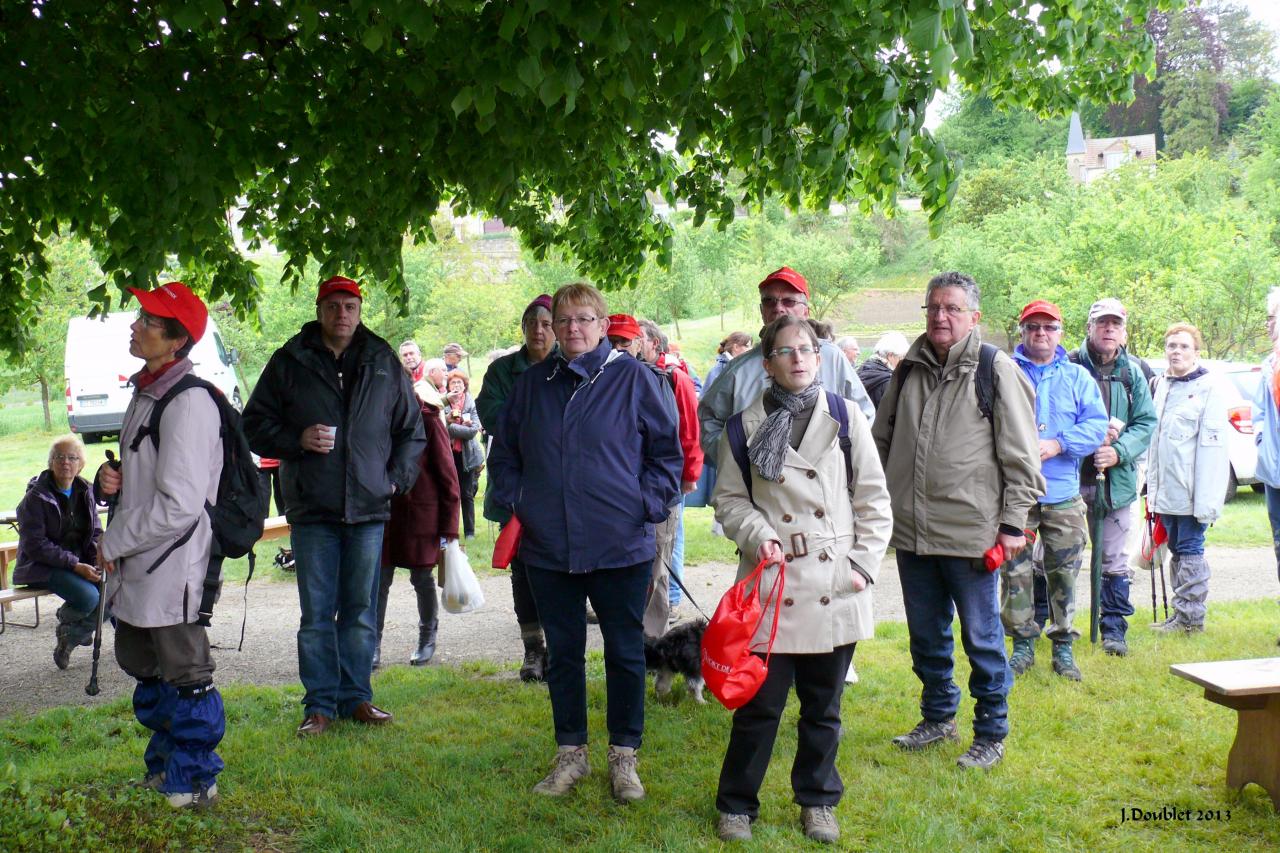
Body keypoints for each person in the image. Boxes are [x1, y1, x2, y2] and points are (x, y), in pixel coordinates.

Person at [488, 283, 682, 804]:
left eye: (584, 319)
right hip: (550, 547)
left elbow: (668, 455)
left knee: (624, 652)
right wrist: (519, 501)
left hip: (620, 546)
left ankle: (625, 757)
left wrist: (645, 504)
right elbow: (503, 453)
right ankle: (570, 754)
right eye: (563, 320)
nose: (572, 328)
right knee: (565, 654)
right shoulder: (533, 385)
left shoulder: (635, 379)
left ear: (601, 325)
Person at [711, 315, 891, 844]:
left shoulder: (846, 416)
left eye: (806, 350)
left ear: (819, 357)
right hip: (773, 583)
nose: (797, 359)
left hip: (835, 583)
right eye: (785, 351)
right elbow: (729, 500)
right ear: (766, 364)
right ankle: (737, 805)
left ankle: (817, 801)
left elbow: (874, 500)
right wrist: (756, 533)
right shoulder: (743, 426)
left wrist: (861, 566)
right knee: (758, 706)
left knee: (823, 708)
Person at [871, 272, 1043, 771]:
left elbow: (1021, 457)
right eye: (933, 308)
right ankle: (938, 717)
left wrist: (1013, 524)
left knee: (982, 638)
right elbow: (879, 444)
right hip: (912, 533)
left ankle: (991, 732)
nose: (941, 317)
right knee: (926, 636)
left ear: (974, 317)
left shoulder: (995, 369)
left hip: (972, 534)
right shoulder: (907, 371)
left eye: (952, 308)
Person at [243, 275, 425, 738]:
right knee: (317, 613)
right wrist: (296, 440)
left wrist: (393, 481)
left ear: (360, 310)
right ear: (319, 309)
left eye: (350, 306)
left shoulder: (383, 360)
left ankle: (356, 697)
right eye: (333, 307)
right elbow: (253, 424)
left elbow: (411, 432)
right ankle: (319, 705)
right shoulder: (290, 360)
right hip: (312, 507)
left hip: (368, 507)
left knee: (360, 608)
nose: (341, 315)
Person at [94, 281, 226, 808]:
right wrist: (119, 477)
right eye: (141, 316)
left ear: (176, 341)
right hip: (141, 561)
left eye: (149, 320)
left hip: (173, 565)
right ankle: (167, 765)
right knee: (146, 667)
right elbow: (156, 476)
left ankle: (196, 779)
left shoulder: (189, 401)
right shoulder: (148, 391)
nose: (135, 325)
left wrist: (113, 540)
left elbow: (181, 503)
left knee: (186, 673)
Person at [1000, 300, 1107, 681]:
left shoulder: (1077, 377)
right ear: (1023, 332)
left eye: (1048, 327)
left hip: (1062, 492)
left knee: (1064, 573)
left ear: (1060, 332)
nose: (1040, 334)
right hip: (1016, 495)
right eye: (1033, 327)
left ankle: (1063, 647)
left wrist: (1059, 444)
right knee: (1015, 572)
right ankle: (1022, 646)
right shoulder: (1005, 372)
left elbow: (1096, 427)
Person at [698, 267, 873, 463]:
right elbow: (708, 422)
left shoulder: (832, 358)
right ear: (762, 310)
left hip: (828, 482)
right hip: (759, 487)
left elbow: (864, 415)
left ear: (805, 311)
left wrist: (842, 460)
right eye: (769, 301)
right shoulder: (738, 371)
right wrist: (736, 460)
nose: (778, 307)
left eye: (788, 301)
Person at [1067, 298, 1156, 656]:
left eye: (1115, 324)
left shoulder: (1133, 372)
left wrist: (1118, 452)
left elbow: (1146, 423)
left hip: (1114, 483)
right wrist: (1088, 441)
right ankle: (1049, 625)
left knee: (1115, 561)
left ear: (1124, 331)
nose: (1108, 329)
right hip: (1068, 479)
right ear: (1089, 327)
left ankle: (1114, 630)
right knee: (1056, 556)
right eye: (1102, 323)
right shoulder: (1069, 365)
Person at [476, 294, 556, 683]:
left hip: (560, 486)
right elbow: (490, 414)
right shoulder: (502, 370)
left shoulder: (569, 365)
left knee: (561, 569)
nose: (539, 330)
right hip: (517, 485)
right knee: (522, 569)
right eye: (532, 323)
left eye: (546, 323)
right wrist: (536, 422)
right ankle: (533, 650)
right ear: (523, 328)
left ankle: (559, 648)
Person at [1147, 323, 1228, 634]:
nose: (1176, 352)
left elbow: (1213, 451)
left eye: (1183, 346)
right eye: (1171, 346)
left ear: (1196, 352)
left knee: (1191, 548)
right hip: (1167, 491)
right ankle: (1181, 614)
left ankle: (1191, 619)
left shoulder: (1209, 389)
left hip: (1193, 492)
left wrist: (1206, 502)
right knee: (1178, 549)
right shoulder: (1162, 386)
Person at [376, 379, 460, 669]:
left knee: (422, 579)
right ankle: (371, 644)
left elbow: (448, 477)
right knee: (379, 580)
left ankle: (427, 639)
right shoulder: (374, 419)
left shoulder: (428, 419)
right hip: (384, 515)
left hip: (421, 516)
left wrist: (449, 530)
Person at [14, 435, 103, 670]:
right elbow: (35, 545)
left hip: (78, 564)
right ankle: (68, 622)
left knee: (113, 591)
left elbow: (95, 532)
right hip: (41, 566)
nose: (65, 462)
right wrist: (76, 565)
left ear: (80, 464)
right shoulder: (35, 497)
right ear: (50, 462)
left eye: (72, 457)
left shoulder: (86, 491)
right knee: (90, 597)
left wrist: (97, 561)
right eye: (59, 457)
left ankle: (70, 635)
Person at [636, 318, 702, 628]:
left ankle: (672, 600)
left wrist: (690, 472)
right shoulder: (633, 376)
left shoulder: (676, 378)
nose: (632, 345)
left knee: (670, 539)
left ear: (653, 344)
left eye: (638, 338)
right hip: (644, 476)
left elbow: (689, 429)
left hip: (671, 475)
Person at [1254, 287, 1280, 646]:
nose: (1269, 324)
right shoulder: (1268, 366)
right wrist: (1261, 441)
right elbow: (1259, 413)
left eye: (1274, 317)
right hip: (1275, 474)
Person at [444, 370, 483, 539]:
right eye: (453, 383)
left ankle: (469, 532)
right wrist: (460, 428)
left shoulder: (470, 402)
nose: (457, 386)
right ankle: (449, 531)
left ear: (465, 385)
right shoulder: (444, 403)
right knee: (450, 494)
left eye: (460, 383)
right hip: (448, 455)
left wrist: (452, 428)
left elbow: (474, 430)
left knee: (467, 494)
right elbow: (443, 428)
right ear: (448, 386)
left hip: (468, 456)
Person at [856, 331, 909, 409]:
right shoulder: (889, 382)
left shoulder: (862, 370)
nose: (902, 361)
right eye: (901, 357)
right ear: (890, 356)